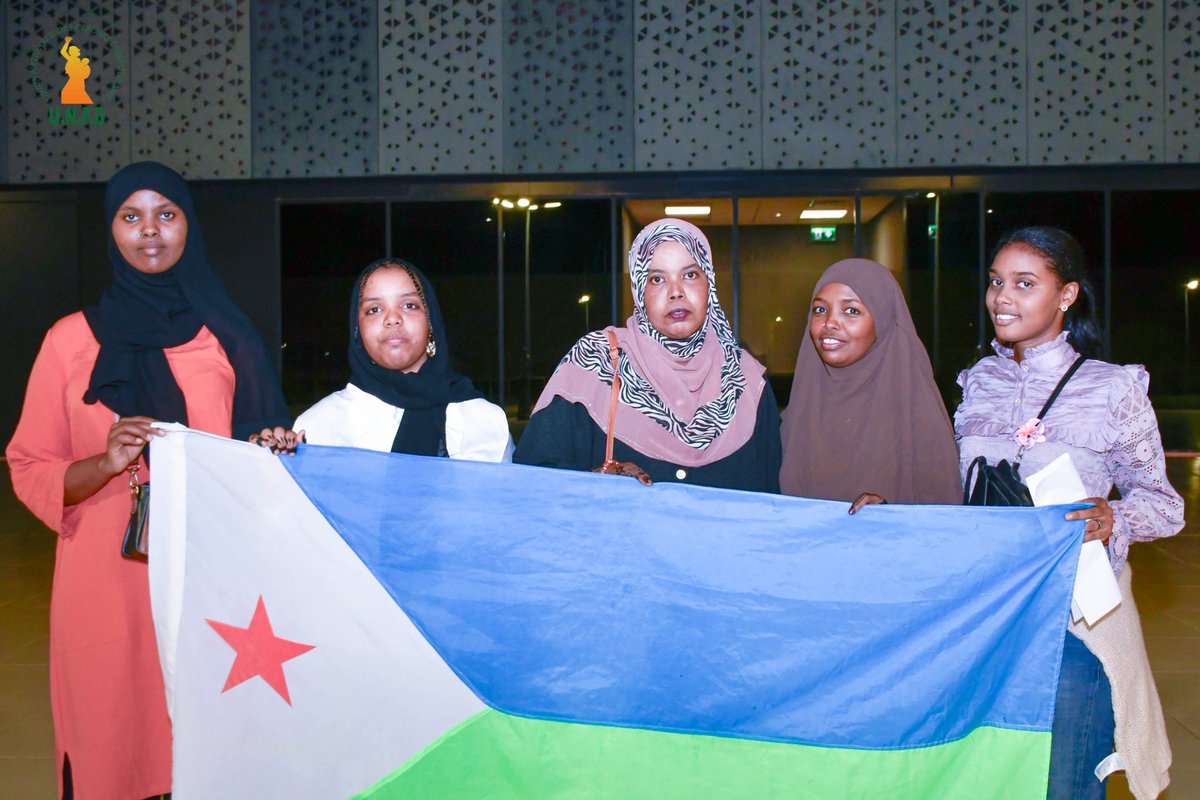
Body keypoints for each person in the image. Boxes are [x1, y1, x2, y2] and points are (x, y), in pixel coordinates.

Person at [6, 161, 289, 799]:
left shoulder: (227, 339)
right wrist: (104, 464)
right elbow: (30, 465)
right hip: (104, 587)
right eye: (131, 217)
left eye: (166, 213)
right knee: (112, 740)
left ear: (189, 223)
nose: (150, 231)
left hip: (208, 578)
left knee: (204, 746)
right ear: (112, 231)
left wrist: (272, 449)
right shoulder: (68, 342)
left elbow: (258, 456)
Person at [955, 226, 1182, 799]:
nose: (1002, 298)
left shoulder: (1113, 389)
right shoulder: (978, 383)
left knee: (1063, 777)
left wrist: (1114, 518)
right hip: (989, 609)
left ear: (1066, 295)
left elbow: (1163, 503)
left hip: (1074, 619)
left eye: (1024, 284)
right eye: (996, 282)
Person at [514, 217, 780, 492]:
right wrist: (594, 482)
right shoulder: (596, 363)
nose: (676, 292)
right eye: (657, 279)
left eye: (690, 275)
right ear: (640, 291)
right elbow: (534, 480)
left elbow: (772, 503)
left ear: (709, 284)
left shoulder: (746, 382)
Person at [255, 258, 512, 461]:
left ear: (431, 324)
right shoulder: (319, 426)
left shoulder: (484, 420)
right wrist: (273, 467)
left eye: (409, 305)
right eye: (374, 309)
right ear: (358, 333)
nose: (392, 318)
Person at [779, 258, 961, 508]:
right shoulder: (800, 412)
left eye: (851, 310)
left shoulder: (917, 416)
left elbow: (943, 519)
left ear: (883, 321)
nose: (829, 323)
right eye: (820, 309)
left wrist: (888, 513)